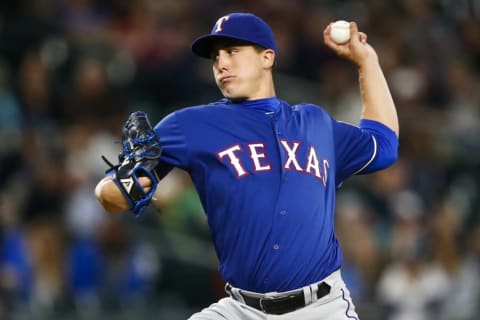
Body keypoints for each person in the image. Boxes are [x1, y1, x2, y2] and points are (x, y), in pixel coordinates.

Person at [95, 12, 399, 319]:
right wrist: (125, 187)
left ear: (267, 57)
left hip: (321, 308)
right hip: (241, 309)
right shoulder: (191, 125)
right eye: (215, 57)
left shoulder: (315, 124)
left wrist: (367, 62)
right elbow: (110, 196)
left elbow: (384, 146)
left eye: (232, 51)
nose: (221, 64)